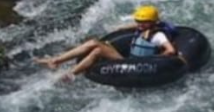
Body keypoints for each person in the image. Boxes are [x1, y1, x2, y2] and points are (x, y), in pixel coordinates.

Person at [34, 5, 177, 82]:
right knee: (96, 50)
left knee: (95, 44)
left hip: (142, 65)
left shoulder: (158, 35)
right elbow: (135, 28)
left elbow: (170, 50)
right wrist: (121, 28)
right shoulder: (143, 29)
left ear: (152, 23)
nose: (139, 25)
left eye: (143, 22)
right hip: (130, 61)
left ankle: (59, 64)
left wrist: (159, 58)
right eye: (138, 21)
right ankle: (67, 71)